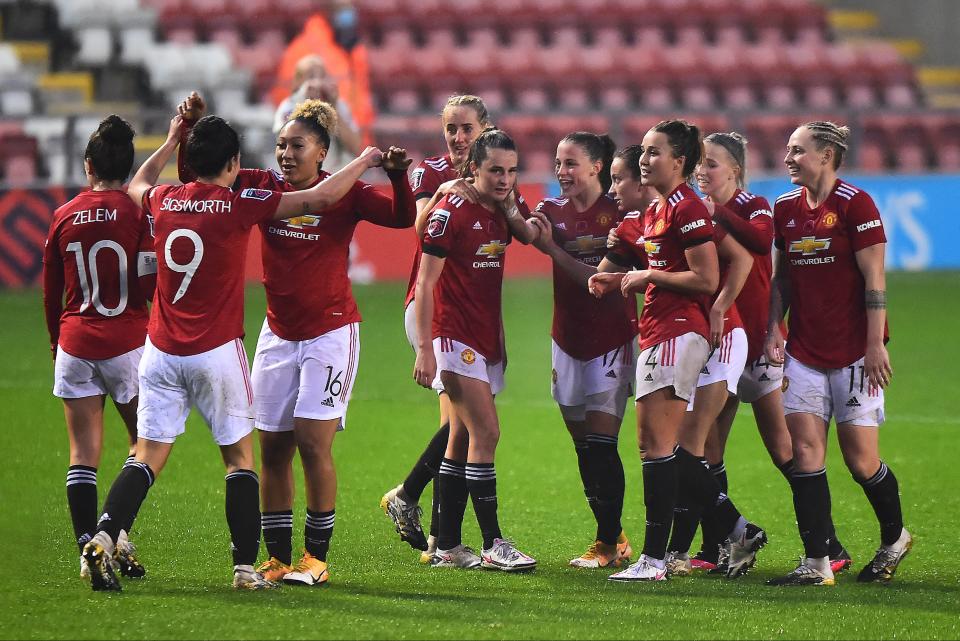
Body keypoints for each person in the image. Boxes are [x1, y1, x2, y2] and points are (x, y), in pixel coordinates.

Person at [80, 112, 383, 592]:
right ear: (234, 162)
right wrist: (365, 158)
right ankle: (245, 567)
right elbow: (323, 197)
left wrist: (172, 140)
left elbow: (137, 182)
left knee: (146, 455)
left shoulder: (163, 198)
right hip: (214, 350)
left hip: (159, 350)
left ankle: (103, 533)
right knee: (241, 459)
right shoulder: (239, 204)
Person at [175, 93, 415, 586]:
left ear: (322, 152)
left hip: (331, 332)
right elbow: (196, 180)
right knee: (273, 447)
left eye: (296, 145)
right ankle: (279, 558)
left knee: (311, 442)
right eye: (281, 145)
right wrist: (190, 134)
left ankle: (316, 558)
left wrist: (393, 175)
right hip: (278, 335)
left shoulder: (343, 191)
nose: (285, 154)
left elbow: (399, 216)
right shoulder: (262, 187)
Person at [691, 132, 852, 574]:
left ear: (736, 171)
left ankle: (828, 545)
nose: (702, 170)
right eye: (699, 163)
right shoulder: (696, 213)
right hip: (720, 343)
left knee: (784, 449)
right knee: (707, 451)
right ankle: (717, 546)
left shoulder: (755, 205)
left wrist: (716, 212)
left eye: (712, 163)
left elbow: (761, 243)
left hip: (760, 344)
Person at [765, 121, 910, 586]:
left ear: (826, 155)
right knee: (806, 454)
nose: (788, 158)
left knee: (861, 462)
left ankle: (894, 539)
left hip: (854, 352)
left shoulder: (856, 204)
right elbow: (781, 279)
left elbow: (875, 279)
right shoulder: (785, 208)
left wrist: (873, 346)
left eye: (798, 151)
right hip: (805, 352)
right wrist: (774, 328)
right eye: (788, 150)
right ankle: (817, 563)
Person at [587, 120, 719, 582]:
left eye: (654, 152)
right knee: (655, 446)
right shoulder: (661, 208)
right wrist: (616, 278)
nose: (644, 160)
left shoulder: (687, 207)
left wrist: (649, 277)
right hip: (660, 329)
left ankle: (655, 559)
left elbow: (707, 279)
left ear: (680, 160)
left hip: (679, 330)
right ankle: (733, 530)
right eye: (643, 151)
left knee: (657, 448)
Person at [413, 129, 540, 570]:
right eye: (495, 171)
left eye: (511, 171)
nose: (505, 179)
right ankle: (493, 543)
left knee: (462, 436)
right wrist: (426, 348)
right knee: (487, 432)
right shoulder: (451, 210)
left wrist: (516, 209)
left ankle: (446, 545)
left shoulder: (501, 206)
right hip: (454, 336)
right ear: (473, 168)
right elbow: (426, 282)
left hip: (486, 336)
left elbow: (528, 235)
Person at [381, 95, 494, 561]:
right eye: (452, 129)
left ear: (485, 128)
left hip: (471, 313)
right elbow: (419, 227)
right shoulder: (429, 172)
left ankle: (435, 532)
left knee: (459, 430)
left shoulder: (493, 170)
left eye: (467, 128)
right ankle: (426, 517)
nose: (459, 137)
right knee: (468, 426)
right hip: (433, 309)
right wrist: (451, 188)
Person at [42, 115, 152, 582]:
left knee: (82, 454)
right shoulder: (136, 213)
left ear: (88, 166)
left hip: (76, 342)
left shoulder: (64, 214)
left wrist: (56, 341)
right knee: (144, 445)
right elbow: (149, 279)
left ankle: (88, 552)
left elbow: (51, 292)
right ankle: (115, 534)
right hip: (126, 342)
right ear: (128, 168)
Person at [525, 132, 638, 569]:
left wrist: (549, 247)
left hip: (611, 339)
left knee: (602, 443)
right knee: (584, 448)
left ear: (597, 167)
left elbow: (597, 283)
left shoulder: (622, 212)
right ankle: (615, 534)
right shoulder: (550, 210)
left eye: (571, 163)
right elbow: (524, 229)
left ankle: (606, 544)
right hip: (566, 340)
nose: (561, 172)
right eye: (557, 162)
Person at [660, 149, 765, 580]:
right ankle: (705, 545)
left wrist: (721, 307)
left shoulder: (691, 210)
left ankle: (730, 534)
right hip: (695, 340)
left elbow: (744, 256)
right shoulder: (657, 213)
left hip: (720, 337)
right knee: (693, 449)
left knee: (684, 448)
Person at [272, 54, 363, 173]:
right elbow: (288, 143)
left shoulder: (339, 105)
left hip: (334, 176)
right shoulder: (289, 105)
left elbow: (355, 147)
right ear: (298, 81)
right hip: (300, 177)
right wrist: (308, 104)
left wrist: (333, 107)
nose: (318, 81)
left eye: (322, 76)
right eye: (311, 76)